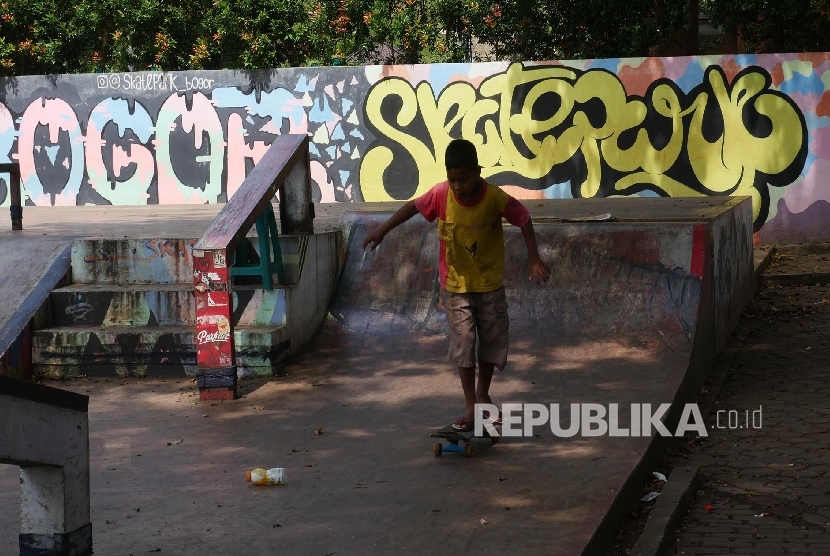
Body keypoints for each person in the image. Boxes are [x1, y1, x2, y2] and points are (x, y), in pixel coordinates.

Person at [362, 139, 550, 431]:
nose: (458, 186)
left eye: (463, 179)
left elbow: (523, 218)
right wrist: (382, 230)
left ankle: (482, 391)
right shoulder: (441, 195)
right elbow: (412, 207)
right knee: (464, 340)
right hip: (455, 285)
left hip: (489, 284)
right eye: (452, 179)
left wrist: (534, 258)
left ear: (477, 171)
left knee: (492, 338)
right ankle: (470, 404)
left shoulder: (494, 198)